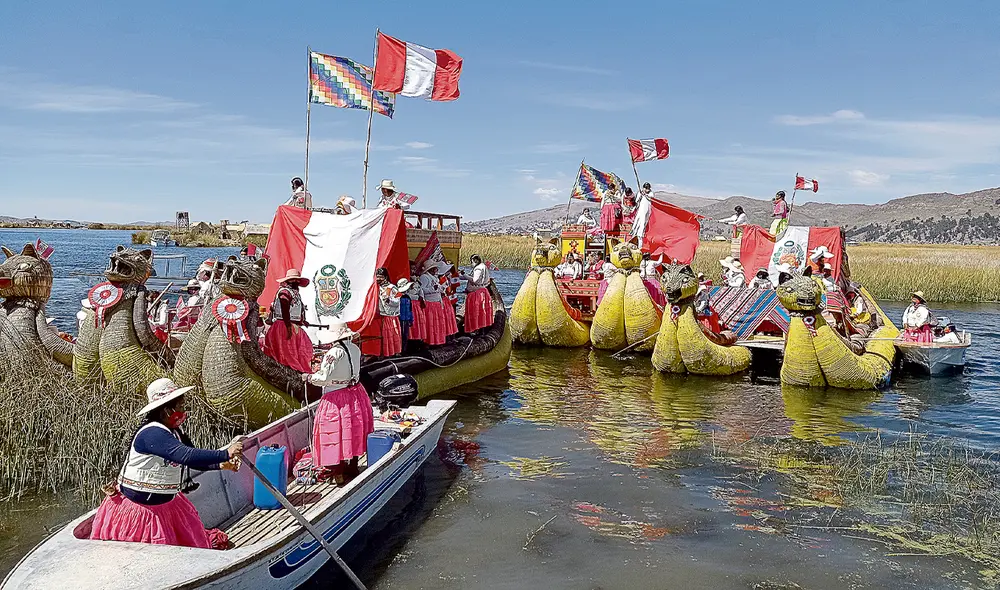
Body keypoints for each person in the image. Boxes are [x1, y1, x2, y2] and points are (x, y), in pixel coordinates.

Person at [90, 378, 242, 548]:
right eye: (180, 407)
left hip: (166, 505)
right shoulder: (152, 434)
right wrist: (225, 453)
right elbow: (185, 455)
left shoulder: (174, 432)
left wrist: (220, 464)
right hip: (141, 513)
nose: (184, 411)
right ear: (167, 410)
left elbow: (192, 460)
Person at [304, 322, 375, 485]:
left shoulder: (333, 353)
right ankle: (353, 466)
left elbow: (324, 378)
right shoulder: (355, 349)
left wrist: (308, 377)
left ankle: (338, 473)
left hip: (336, 396)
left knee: (334, 431)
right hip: (356, 392)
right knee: (353, 428)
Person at [262, 269, 314, 373]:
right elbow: (285, 308)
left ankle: (293, 369)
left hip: (291, 325)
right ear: (291, 280)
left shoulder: (294, 293)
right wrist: (288, 326)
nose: (297, 283)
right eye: (295, 280)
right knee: (286, 351)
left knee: (298, 348)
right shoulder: (284, 292)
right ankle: (286, 369)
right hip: (283, 325)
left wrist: (302, 321)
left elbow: (294, 310)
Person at [375, 268, 406, 357]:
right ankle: (387, 353)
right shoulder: (378, 288)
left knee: (393, 335)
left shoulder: (392, 287)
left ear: (385, 277)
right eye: (377, 277)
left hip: (391, 316)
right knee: (385, 336)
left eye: (380, 277)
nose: (378, 279)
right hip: (382, 316)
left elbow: (398, 300)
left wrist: (389, 301)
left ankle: (395, 352)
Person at [464, 254, 494, 333]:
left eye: (471, 262)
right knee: (482, 312)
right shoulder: (483, 267)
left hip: (476, 294)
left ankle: (477, 330)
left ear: (473, 261)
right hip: (482, 292)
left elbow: (475, 280)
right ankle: (482, 329)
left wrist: (464, 275)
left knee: (476, 312)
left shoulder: (478, 269)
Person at [419, 264, 447, 346]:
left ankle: (438, 341)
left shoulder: (435, 278)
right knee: (431, 323)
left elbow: (438, 288)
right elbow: (422, 289)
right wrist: (432, 289)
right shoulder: (424, 277)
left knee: (438, 323)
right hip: (430, 303)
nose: (436, 269)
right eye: (434, 268)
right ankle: (429, 342)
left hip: (437, 302)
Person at [397, 277, 414, 350]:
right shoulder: (397, 297)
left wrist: (411, 319)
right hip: (400, 319)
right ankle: (400, 349)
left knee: (405, 334)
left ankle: (404, 349)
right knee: (400, 335)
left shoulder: (408, 297)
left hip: (406, 319)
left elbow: (410, 309)